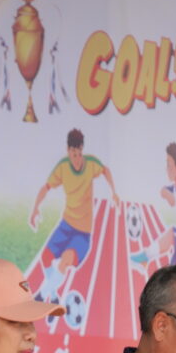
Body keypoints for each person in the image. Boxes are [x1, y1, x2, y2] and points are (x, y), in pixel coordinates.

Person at [28, 128, 119, 305]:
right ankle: (53, 294)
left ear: (82, 150)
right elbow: (46, 187)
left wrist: (113, 191)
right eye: (73, 154)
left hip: (82, 232)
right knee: (46, 257)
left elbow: (105, 170)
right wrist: (35, 209)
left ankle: (40, 296)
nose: (76, 159)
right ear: (68, 151)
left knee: (65, 260)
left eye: (79, 154)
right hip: (66, 224)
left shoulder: (90, 164)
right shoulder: (63, 167)